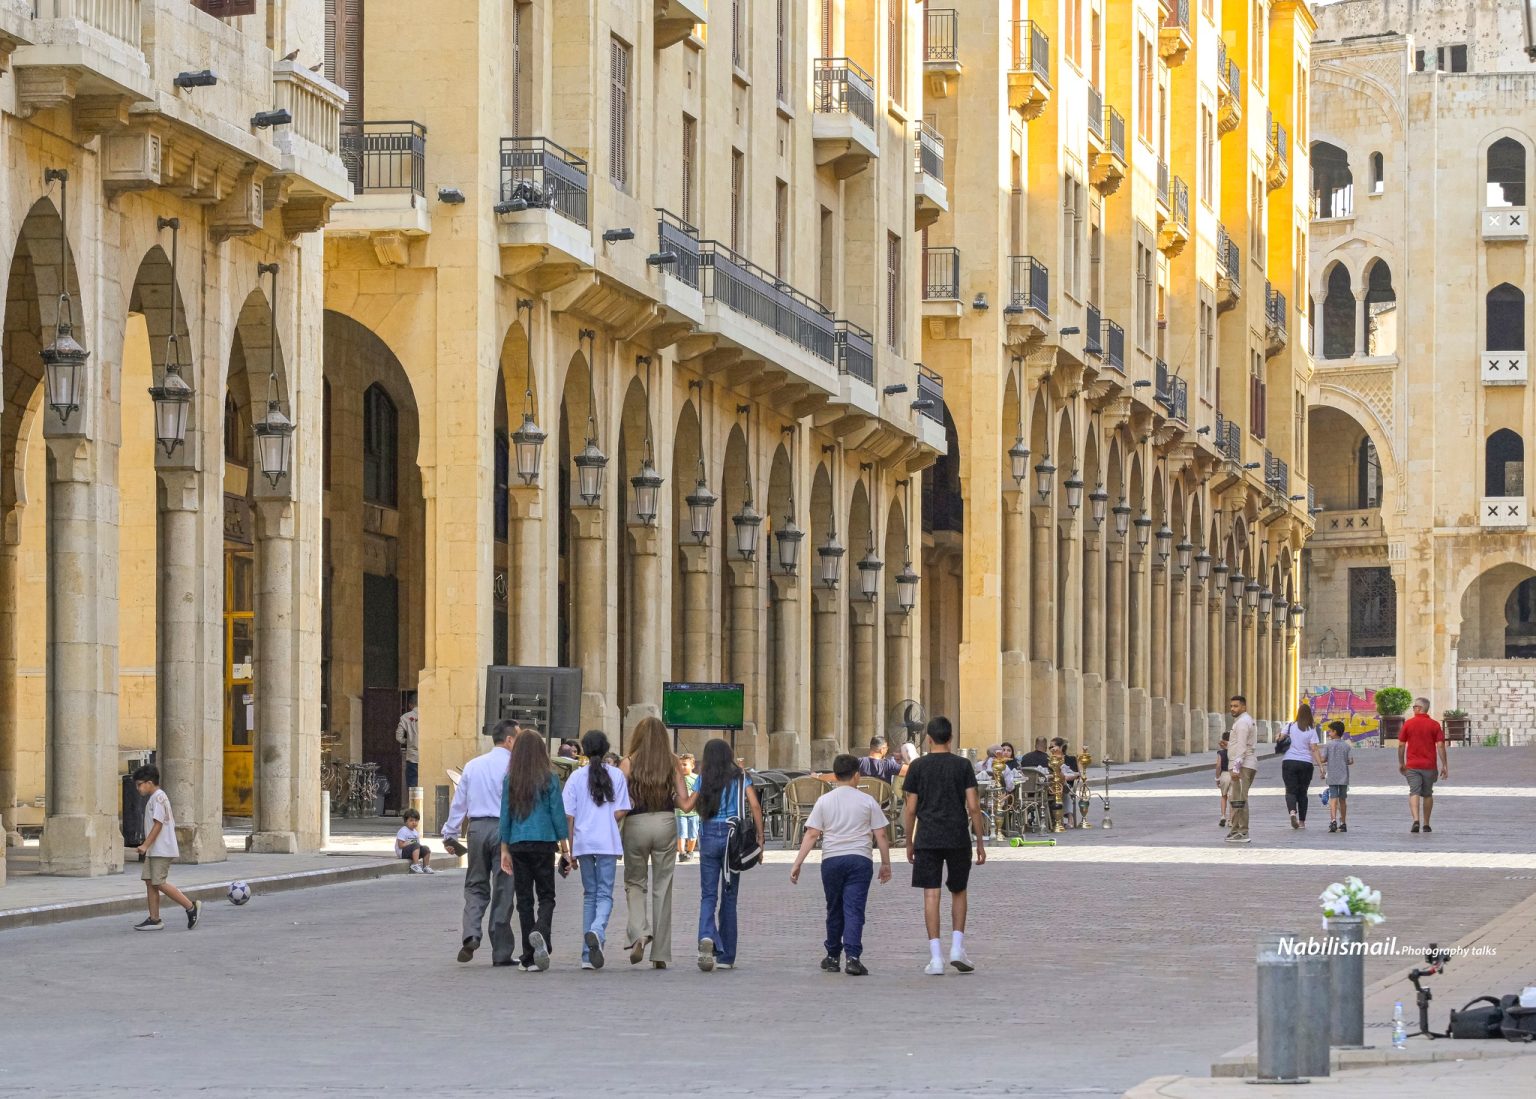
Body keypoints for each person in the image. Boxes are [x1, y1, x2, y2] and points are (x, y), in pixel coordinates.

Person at [789, 753, 892, 976]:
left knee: (834, 907)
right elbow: (881, 835)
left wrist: (798, 863)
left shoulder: (824, 801)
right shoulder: (867, 801)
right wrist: (886, 863)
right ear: (856, 775)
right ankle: (853, 957)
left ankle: (833, 956)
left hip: (832, 859)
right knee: (854, 909)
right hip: (860, 859)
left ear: (835, 776)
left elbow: (812, 834)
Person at [901, 716, 987, 975]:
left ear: (928, 739)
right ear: (951, 738)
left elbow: (910, 809)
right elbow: (973, 806)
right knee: (959, 890)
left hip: (928, 836)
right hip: (957, 835)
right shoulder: (962, 765)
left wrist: (909, 841)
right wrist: (979, 841)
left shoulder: (917, 766)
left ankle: (936, 957)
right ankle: (957, 948)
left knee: (931, 893)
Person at [442, 720, 518, 964]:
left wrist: (450, 833)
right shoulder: (515, 765)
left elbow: (459, 803)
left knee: (475, 884)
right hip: (505, 830)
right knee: (504, 887)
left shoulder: (473, 765)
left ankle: (471, 933)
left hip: (476, 829)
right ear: (509, 740)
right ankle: (501, 951)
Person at [620, 717, 691, 968]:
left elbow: (619, 800)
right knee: (663, 886)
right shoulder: (672, 761)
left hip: (635, 824)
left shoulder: (628, 762)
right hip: (665, 822)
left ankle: (640, 933)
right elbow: (684, 800)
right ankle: (660, 953)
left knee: (634, 883)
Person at [499, 728, 570, 971]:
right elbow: (558, 814)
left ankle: (528, 956)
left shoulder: (511, 779)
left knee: (524, 900)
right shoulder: (549, 778)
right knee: (547, 895)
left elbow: (505, 815)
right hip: (544, 842)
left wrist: (504, 849)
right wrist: (565, 848)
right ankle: (541, 932)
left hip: (518, 842)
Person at [694, 737, 764, 972]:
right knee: (729, 896)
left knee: (708, 895)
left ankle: (706, 935)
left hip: (708, 835)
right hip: (733, 837)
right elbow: (755, 805)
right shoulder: (741, 777)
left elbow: (692, 804)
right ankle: (726, 957)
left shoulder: (703, 778)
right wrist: (760, 837)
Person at [563, 730, 630, 970]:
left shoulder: (575, 777)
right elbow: (623, 808)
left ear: (584, 749)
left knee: (589, 895)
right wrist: (609, 821)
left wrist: (570, 851)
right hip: (607, 842)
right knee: (604, 894)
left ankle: (586, 955)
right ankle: (597, 930)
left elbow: (568, 816)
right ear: (605, 749)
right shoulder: (616, 775)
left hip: (583, 841)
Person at [130, 765, 201, 931]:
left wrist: (145, 845)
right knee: (150, 881)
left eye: (139, 784)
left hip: (161, 849)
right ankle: (154, 919)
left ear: (149, 783)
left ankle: (191, 907)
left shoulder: (159, 798)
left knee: (158, 882)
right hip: (155, 849)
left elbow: (158, 824)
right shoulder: (155, 798)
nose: (138, 788)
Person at [1399, 697, 1448, 833]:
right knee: (1427, 794)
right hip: (1429, 766)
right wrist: (1444, 765)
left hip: (1412, 765)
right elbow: (1440, 746)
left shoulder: (1408, 724)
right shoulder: (1434, 725)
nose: (1413, 709)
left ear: (1419, 708)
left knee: (1414, 792)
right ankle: (1426, 824)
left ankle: (1416, 820)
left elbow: (1401, 745)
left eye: (1414, 707)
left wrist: (1401, 763)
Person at [1279, 703, 1324, 830]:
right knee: (1303, 793)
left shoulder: (1290, 726)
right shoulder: (1311, 729)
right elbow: (1314, 748)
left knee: (1290, 790)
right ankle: (1302, 822)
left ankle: (1292, 812)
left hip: (1289, 761)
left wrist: (1280, 736)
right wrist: (1321, 766)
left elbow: (1280, 738)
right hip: (1306, 763)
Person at [1226, 695, 1258, 844]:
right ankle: (1235, 830)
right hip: (1243, 763)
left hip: (1243, 765)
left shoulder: (1243, 722)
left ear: (1243, 707)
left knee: (1240, 799)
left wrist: (1236, 768)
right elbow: (1239, 744)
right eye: (1231, 706)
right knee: (1236, 799)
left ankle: (1242, 831)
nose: (1232, 709)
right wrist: (1227, 746)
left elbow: (1242, 747)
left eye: (1236, 706)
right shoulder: (1242, 721)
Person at [1320, 721, 1354, 834]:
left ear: (1335, 732)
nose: (1329, 733)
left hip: (1332, 776)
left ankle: (1333, 821)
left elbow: (1323, 759)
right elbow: (1350, 761)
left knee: (1333, 798)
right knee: (1343, 800)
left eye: (1330, 731)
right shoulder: (1346, 746)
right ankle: (1343, 823)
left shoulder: (1328, 745)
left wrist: (1318, 758)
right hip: (1344, 776)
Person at [676, 753, 700, 862]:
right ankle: (681, 853)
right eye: (680, 764)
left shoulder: (697, 778)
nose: (682, 767)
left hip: (694, 812)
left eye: (685, 764)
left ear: (692, 766)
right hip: (680, 812)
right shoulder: (677, 778)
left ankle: (690, 852)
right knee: (681, 833)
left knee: (693, 833)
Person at [396, 809, 436, 873]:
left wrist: (420, 848)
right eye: (411, 820)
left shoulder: (415, 832)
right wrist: (410, 843)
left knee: (426, 848)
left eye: (416, 820)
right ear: (406, 821)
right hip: (403, 852)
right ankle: (415, 865)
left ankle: (426, 866)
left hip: (413, 851)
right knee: (416, 845)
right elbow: (400, 845)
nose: (414, 822)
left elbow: (418, 846)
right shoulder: (403, 830)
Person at [394, 693, 420, 793]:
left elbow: (398, 737)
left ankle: (413, 803)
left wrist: (408, 741)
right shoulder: (429, 715)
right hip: (427, 757)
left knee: (412, 788)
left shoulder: (405, 717)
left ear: (410, 705)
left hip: (412, 757)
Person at [1215, 734, 1231, 827]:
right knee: (1232, 798)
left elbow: (1218, 766)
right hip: (1233, 774)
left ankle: (1223, 816)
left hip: (1224, 774)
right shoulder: (1235, 751)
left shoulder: (1220, 753)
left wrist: (1217, 778)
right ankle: (1231, 820)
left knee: (1224, 796)